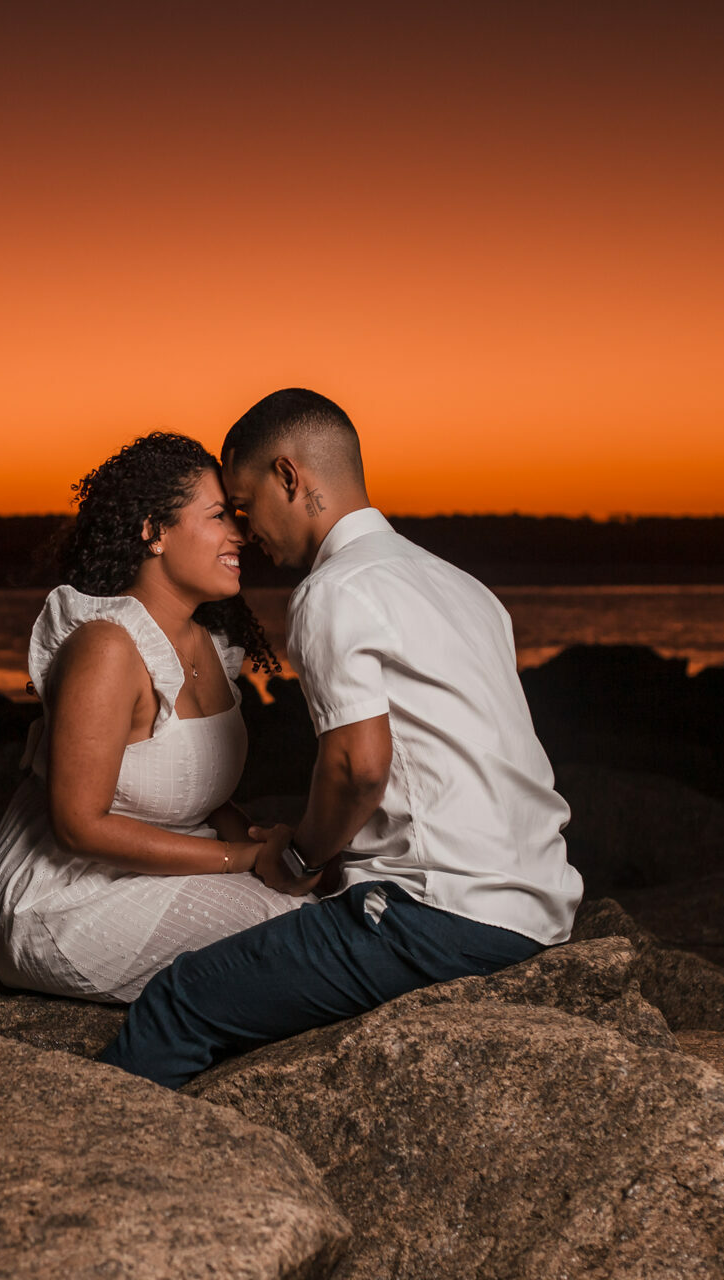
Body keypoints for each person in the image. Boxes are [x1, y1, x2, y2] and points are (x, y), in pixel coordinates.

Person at [97, 389, 583, 1086]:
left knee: (181, 1000)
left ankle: (94, 1149)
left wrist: (299, 856)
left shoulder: (334, 591)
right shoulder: (465, 588)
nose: (246, 534)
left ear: (289, 477)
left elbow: (359, 768)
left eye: (245, 506)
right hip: (541, 906)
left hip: (442, 915)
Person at [0, 432, 310, 1004]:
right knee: (306, 938)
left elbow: (201, 795)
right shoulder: (107, 647)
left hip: (157, 872)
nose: (241, 534)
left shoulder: (212, 643)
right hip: (65, 900)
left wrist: (272, 851)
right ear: (154, 531)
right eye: (219, 517)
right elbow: (78, 825)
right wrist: (241, 859)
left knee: (326, 904)